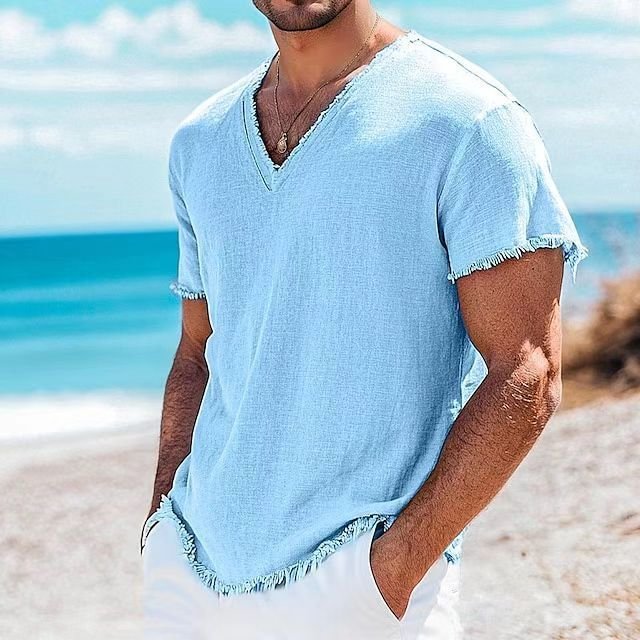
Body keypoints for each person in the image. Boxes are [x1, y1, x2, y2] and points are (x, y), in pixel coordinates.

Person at [140, 1, 588, 638]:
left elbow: (528, 371)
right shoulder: (200, 141)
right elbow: (196, 352)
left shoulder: (468, 122)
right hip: (190, 576)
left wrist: (391, 571)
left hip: (359, 585)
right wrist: (161, 525)